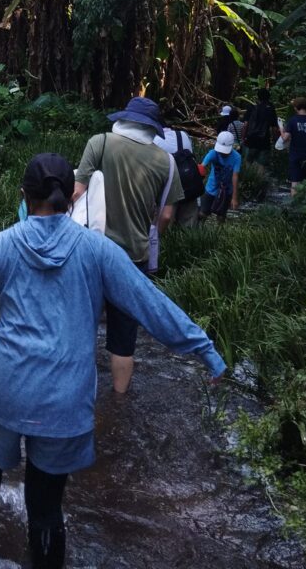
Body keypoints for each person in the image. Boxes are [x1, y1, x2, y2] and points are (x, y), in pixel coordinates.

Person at [0, 153, 225, 568]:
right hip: (64, 398)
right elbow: (151, 304)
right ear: (72, 198)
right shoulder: (98, 251)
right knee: (47, 507)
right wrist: (206, 351)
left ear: (24, 196)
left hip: (4, 387)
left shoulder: (1, 246)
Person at [73, 97, 184, 394]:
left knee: (80, 326)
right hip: (134, 259)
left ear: (124, 118)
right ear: (153, 128)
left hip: (91, 254)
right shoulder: (166, 161)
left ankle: (74, 395)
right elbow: (167, 215)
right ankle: (120, 401)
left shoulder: (100, 142)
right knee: (123, 340)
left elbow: (77, 192)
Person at [154, 119, 202, 228]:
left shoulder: (154, 140)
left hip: (169, 189)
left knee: (166, 225)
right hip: (190, 184)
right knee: (189, 225)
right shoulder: (183, 135)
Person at [198, 130, 241, 221]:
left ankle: (219, 228)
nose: (223, 153)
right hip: (211, 188)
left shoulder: (236, 157)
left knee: (221, 217)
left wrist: (234, 197)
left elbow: (235, 176)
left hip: (226, 191)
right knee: (202, 214)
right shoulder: (213, 153)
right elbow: (201, 167)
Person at [242, 88, 279, 166]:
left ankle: (248, 173)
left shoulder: (252, 107)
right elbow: (274, 128)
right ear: (268, 97)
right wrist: (275, 141)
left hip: (251, 140)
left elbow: (245, 124)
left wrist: (243, 138)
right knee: (261, 166)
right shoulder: (271, 109)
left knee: (248, 163)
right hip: (264, 141)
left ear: (258, 97)